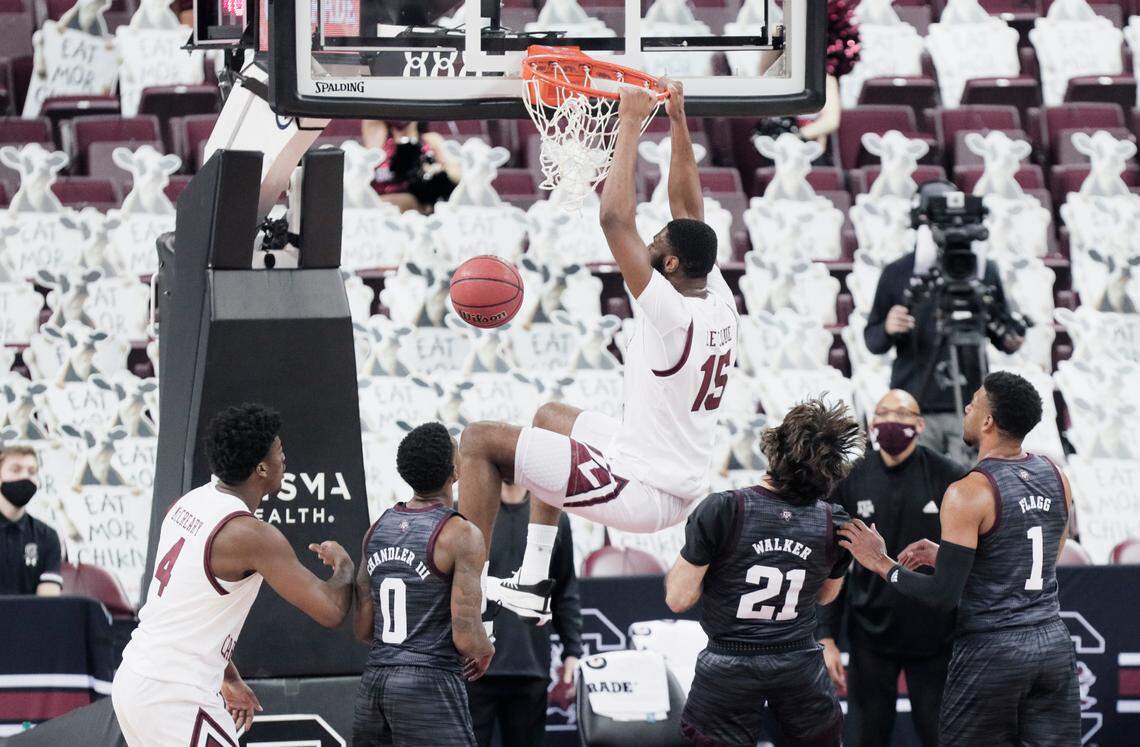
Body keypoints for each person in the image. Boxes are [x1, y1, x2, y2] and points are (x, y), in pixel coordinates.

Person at [459, 79, 738, 621]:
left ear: (673, 266)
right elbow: (688, 206)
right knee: (550, 416)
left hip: (643, 488)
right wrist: (678, 121)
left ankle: (463, 595)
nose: (650, 246)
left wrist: (630, 122)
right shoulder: (718, 295)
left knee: (477, 441)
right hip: (662, 464)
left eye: (658, 247)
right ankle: (535, 580)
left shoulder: (669, 314)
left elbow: (614, 220)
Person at [839, 372, 1081, 745]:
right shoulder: (1057, 476)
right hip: (1052, 643)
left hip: (993, 648)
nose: (966, 407)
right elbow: (1043, 557)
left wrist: (882, 563)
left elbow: (941, 595)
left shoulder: (968, 490)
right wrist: (949, 557)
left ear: (987, 421)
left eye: (974, 402)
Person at [112, 404, 356, 745]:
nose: (284, 460)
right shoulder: (250, 534)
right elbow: (330, 610)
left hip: (137, 678)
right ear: (260, 468)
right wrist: (344, 564)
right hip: (173, 696)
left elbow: (187, 608)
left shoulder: (188, 502)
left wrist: (229, 677)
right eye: (279, 452)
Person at [664, 399, 862, 747]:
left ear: (774, 448)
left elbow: (678, 599)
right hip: (799, 664)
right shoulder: (836, 521)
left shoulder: (723, 508)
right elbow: (826, 596)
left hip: (729, 664)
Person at [818, 390, 966, 747]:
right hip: (870, 634)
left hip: (934, 635)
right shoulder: (851, 478)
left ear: (919, 424)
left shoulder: (949, 476)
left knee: (941, 736)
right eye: (882, 413)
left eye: (901, 414)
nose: (890, 421)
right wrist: (827, 637)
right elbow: (833, 563)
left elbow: (966, 558)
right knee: (864, 737)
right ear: (871, 424)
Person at [352, 422, 495, 747]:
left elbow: (363, 629)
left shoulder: (377, 529)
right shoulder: (461, 535)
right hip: (428, 684)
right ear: (454, 470)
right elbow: (467, 637)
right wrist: (485, 649)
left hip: (375, 684)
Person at [863, 180, 1024, 465]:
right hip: (916, 402)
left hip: (971, 407)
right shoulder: (897, 272)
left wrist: (1014, 333)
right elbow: (873, 340)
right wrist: (888, 327)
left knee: (971, 492)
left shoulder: (983, 271)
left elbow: (1006, 338)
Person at [466, 481, 582, 747]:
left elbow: (565, 589)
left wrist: (573, 651)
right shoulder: (469, 510)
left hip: (530, 666)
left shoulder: (553, 518)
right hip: (474, 668)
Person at [0, 445, 62, 596]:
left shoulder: (48, 537)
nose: (25, 477)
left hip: (30, 619)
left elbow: (48, 603)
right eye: (15, 470)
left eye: (32, 472)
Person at [361, 120, 461, 213]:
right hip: (381, 207)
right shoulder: (379, 138)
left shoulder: (430, 140)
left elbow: (457, 174)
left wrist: (438, 169)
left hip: (416, 209)